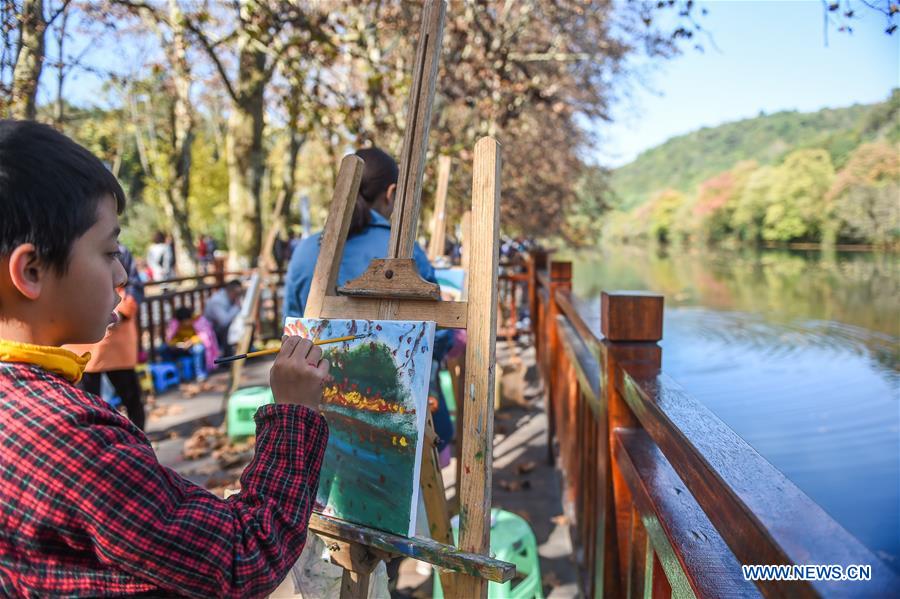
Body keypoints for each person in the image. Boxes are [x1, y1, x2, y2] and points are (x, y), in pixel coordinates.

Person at [0, 119, 330, 597]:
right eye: (109, 251)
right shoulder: (68, 438)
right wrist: (294, 414)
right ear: (31, 270)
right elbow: (243, 555)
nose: (121, 275)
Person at [284, 147, 455, 454]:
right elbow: (437, 334)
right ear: (391, 193)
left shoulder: (305, 251)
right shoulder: (404, 253)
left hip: (317, 424)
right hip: (398, 423)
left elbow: (291, 338)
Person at [64, 244, 146, 429]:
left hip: (117, 338)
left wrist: (122, 312)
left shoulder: (121, 251)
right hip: (82, 341)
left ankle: (139, 434)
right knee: (87, 402)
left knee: (131, 396)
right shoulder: (70, 244)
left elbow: (134, 286)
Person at [163, 306, 220, 379]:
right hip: (181, 346)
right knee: (163, 348)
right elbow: (171, 338)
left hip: (194, 346)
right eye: (182, 323)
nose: (184, 324)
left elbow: (204, 336)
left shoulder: (199, 321)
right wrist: (175, 344)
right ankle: (172, 373)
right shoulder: (176, 324)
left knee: (198, 349)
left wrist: (192, 342)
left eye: (185, 322)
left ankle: (199, 373)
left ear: (190, 318)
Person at [204, 278, 243, 355]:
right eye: (237, 294)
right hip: (211, 330)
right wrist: (236, 306)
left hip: (219, 327)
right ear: (232, 292)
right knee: (229, 328)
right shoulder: (217, 300)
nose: (238, 296)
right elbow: (224, 322)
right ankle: (228, 357)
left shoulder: (229, 297)